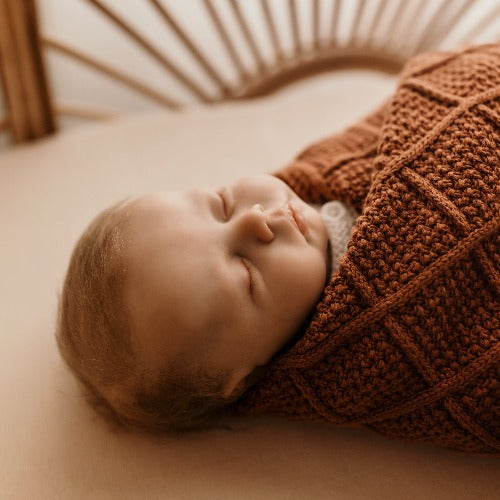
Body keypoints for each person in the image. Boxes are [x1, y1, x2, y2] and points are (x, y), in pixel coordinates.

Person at [56, 43, 499, 453]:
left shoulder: (320, 169)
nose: (255, 220)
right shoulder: (375, 362)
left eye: (221, 203)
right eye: (245, 272)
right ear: (244, 374)